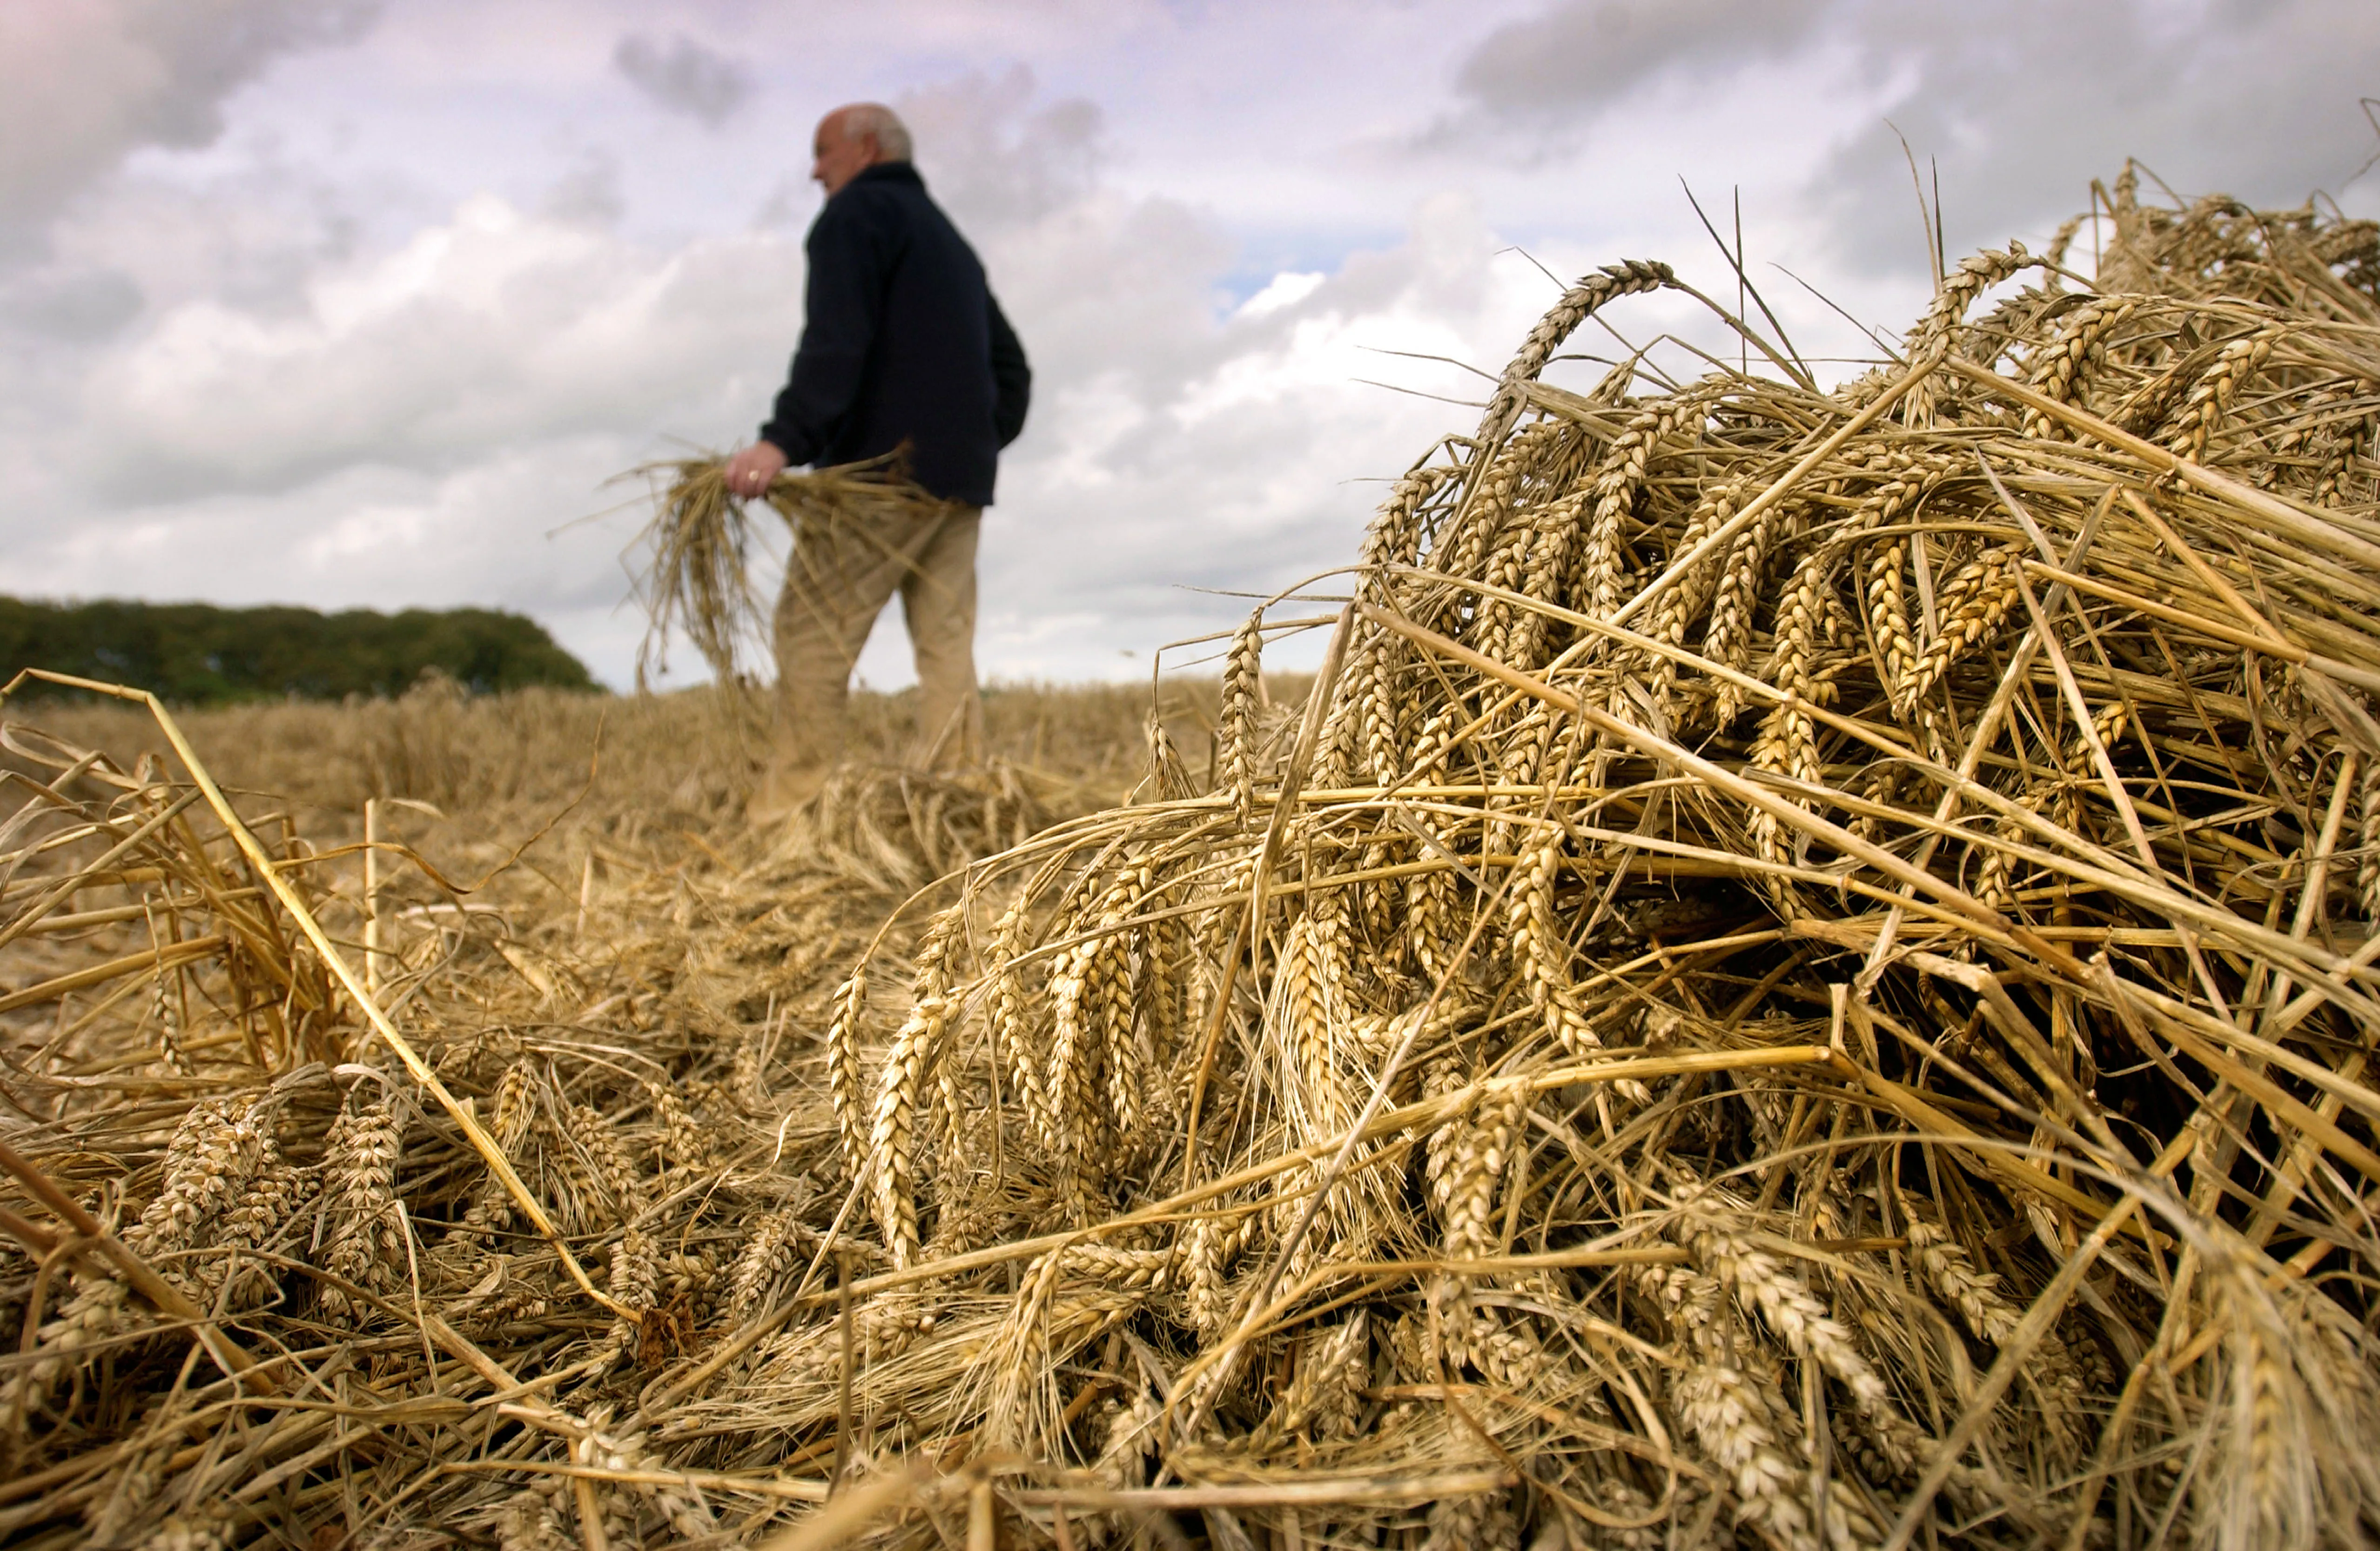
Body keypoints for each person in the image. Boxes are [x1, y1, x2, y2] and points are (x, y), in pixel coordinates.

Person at [726, 102, 1030, 824]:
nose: (813, 169)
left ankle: (789, 814)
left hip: (880, 479)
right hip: (956, 485)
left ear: (864, 148)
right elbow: (1012, 368)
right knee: (945, 644)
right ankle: (960, 808)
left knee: (811, 631)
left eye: (821, 151)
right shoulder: (950, 243)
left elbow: (837, 342)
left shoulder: (853, 219)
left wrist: (784, 440)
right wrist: (973, 442)